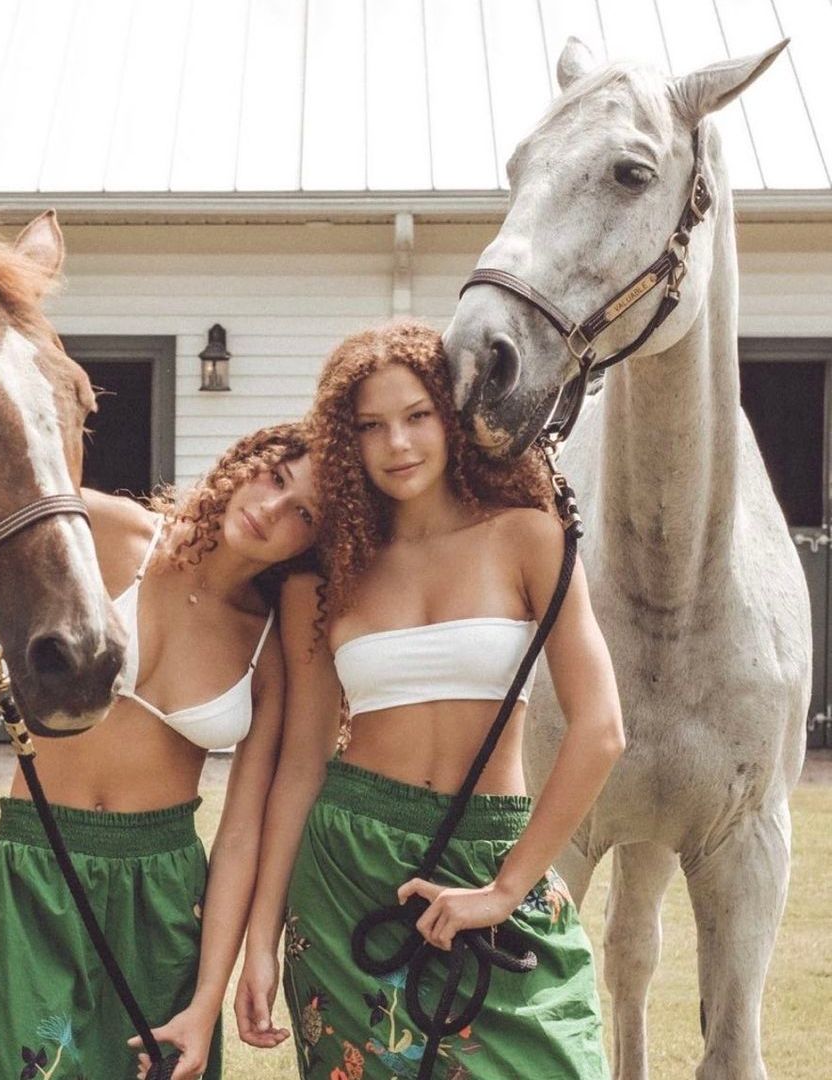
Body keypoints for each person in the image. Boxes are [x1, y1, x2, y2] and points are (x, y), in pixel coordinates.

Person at [235, 322, 623, 1078]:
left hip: (490, 856)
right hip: (347, 872)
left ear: (451, 419)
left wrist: (508, 887)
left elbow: (600, 729)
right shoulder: (326, 578)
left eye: (416, 416)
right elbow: (300, 767)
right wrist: (261, 939)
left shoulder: (529, 540)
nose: (397, 444)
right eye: (370, 427)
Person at [0, 422, 319, 1080]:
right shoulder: (105, 530)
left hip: (167, 896)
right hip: (41, 865)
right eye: (276, 477)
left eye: (304, 513)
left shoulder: (264, 645)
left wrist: (207, 1001)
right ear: (246, 460)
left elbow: (239, 837)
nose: (271, 509)